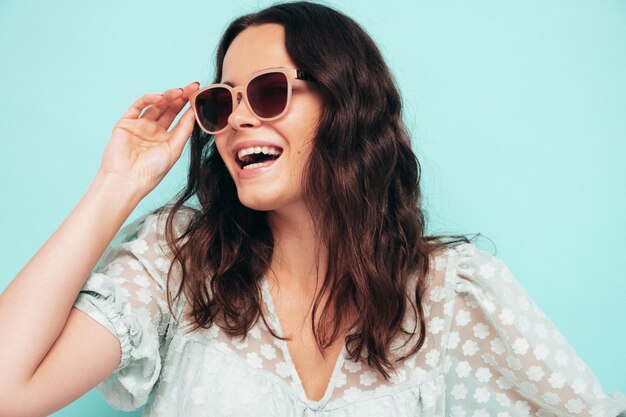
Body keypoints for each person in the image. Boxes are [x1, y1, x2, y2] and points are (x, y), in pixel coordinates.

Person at [1, 1, 624, 416]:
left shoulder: (452, 295)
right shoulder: (180, 266)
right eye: (221, 103)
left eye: (270, 92)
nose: (239, 117)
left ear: (345, 104)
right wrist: (117, 184)